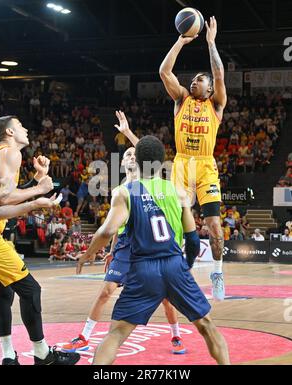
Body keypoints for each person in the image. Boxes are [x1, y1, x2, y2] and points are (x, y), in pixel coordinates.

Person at [77, 135, 230, 365]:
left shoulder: (125, 192)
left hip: (142, 269)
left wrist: (88, 253)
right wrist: (185, 265)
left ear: (137, 161)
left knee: (116, 334)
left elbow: (107, 232)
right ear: (162, 162)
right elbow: (193, 240)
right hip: (173, 263)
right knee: (207, 326)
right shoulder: (178, 192)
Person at [119, 18, 227, 300]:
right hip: (182, 163)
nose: (194, 82)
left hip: (205, 165)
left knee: (214, 225)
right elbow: (164, 71)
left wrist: (210, 42)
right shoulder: (181, 99)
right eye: (193, 80)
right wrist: (181, 40)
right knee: (179, 222)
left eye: (199, 81)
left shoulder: (216, 105)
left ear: (210, 90)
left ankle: (217, 272)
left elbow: (218, 73)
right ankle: (176, 268)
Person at [61, 146, 188, 355]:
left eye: (134, 154)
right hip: (125, 248)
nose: (130, 156)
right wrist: (112, 251)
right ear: (121, 163)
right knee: (105, 292)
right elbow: (116, 229)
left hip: (148, 245)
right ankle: (83, 337)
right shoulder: (119, 190)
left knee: (165, 298)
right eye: (126, 154)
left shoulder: (151, 185)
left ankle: (176, 335)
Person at [0, 116, 80, 365]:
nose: (27, 128)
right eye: (21, 125)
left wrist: (36, 182)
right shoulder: (10, 153)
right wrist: (39, 190)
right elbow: (5, 200)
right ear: (9, 131)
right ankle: (42, 354)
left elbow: (2, 199)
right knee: (31, 290)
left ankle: (8, 354)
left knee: (5, 295)